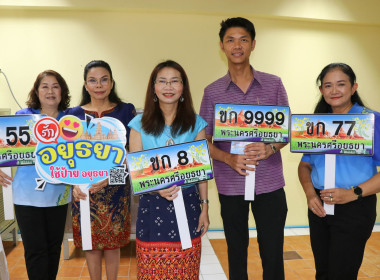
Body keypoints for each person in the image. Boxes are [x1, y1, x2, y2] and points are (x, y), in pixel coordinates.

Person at [199, 17, 289, 280]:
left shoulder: (273, 85)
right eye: (230, 40)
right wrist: (228, 158)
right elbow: (203, 140)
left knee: (273, 252)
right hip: (230, 184)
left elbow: (287, 132)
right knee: (236, 251)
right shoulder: (213, 92)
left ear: (253, 44)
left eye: (243, 39)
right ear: (222, 46)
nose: (236, 45)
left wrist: (270, 148)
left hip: (270, 183)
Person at [128, 60, 209, 279]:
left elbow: (201, 174)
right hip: (153, 206)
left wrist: (205, 207)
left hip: (189, 202)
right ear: (154, 87)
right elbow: (136, 175)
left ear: (183, 88)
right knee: (152, 268)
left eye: (175, 81)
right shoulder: (138, 124)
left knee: (187, 268)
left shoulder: (196, 124)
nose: (168, 87)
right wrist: (157, 189)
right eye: (162, 81)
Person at [298, 63, 380, 280]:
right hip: (320, 207)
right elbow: (304, 165)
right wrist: (309, 194)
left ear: (354, 87)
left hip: (355, 206)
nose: (334, 90)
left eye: (341, 84)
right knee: (323, 273)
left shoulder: (370, 121)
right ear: (321, 90)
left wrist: (354, 193)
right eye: (328, 85)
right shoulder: (317, 123)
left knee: (342, 274)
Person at [67, 60, 136, 280]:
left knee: (113, 244)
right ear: (85, 85)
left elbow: (131, 156)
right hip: (83, 189)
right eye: (93, 80)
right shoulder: (72, 115)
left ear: (112, 82)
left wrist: (110, 180)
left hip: (115, 188)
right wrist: (75, 184)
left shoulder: (126, 111)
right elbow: (65, 158)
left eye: (104, 79)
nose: (99, 85)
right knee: (90, 243)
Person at [0, 70, 72, 280]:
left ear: (62, 91)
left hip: (58, 195)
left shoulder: (70, 122)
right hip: (26, 196)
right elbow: (4, 145)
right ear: (37, 91)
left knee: (53, 249)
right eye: (45, 86)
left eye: (55, 86)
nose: (50, 91)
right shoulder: (23, 117)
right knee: (35, 251)